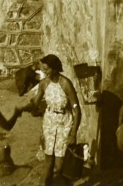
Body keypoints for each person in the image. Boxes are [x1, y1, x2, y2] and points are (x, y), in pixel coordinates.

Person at [16, 54, 80, 186]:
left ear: (56, 69)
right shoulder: (44, 84)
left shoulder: (66, 84)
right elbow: (35, 103)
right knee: (48, 160)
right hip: (49, 122)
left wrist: (73, 133)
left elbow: (76, 109)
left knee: (59, 164)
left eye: (47, 70)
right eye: (43, 70)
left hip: (64, 123)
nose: (45, 72)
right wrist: (25, 108)